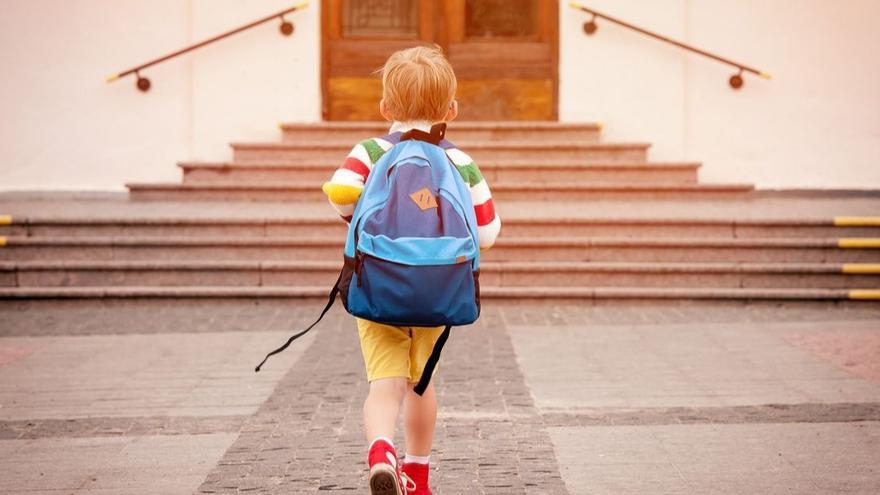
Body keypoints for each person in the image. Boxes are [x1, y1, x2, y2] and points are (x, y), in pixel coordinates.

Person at [322, 45, 501, 495]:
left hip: (378, 285)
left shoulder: (371, 151)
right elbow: (487, 232)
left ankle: (382, 453)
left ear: (385, 108)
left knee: (383, 385)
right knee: (421, 385)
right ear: (451, 110)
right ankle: (417, 477)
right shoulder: (460, 162)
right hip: (437, 290)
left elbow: (341, 191)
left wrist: (368, 221)